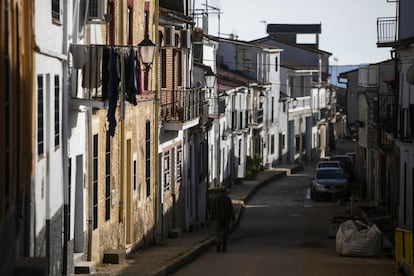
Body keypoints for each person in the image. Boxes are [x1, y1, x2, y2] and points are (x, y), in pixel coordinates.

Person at [211, 186, 235, 252]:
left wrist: (211, 216)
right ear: (225, 192)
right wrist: (233, 217)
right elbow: (231, 209)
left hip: (217, 218)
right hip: (226, 218)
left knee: (217, 232)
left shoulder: (216, 199)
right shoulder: (228, 199)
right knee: (225, 233)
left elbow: (213, 208)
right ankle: (224, 247)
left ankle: (218, 242)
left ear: (220, 191)